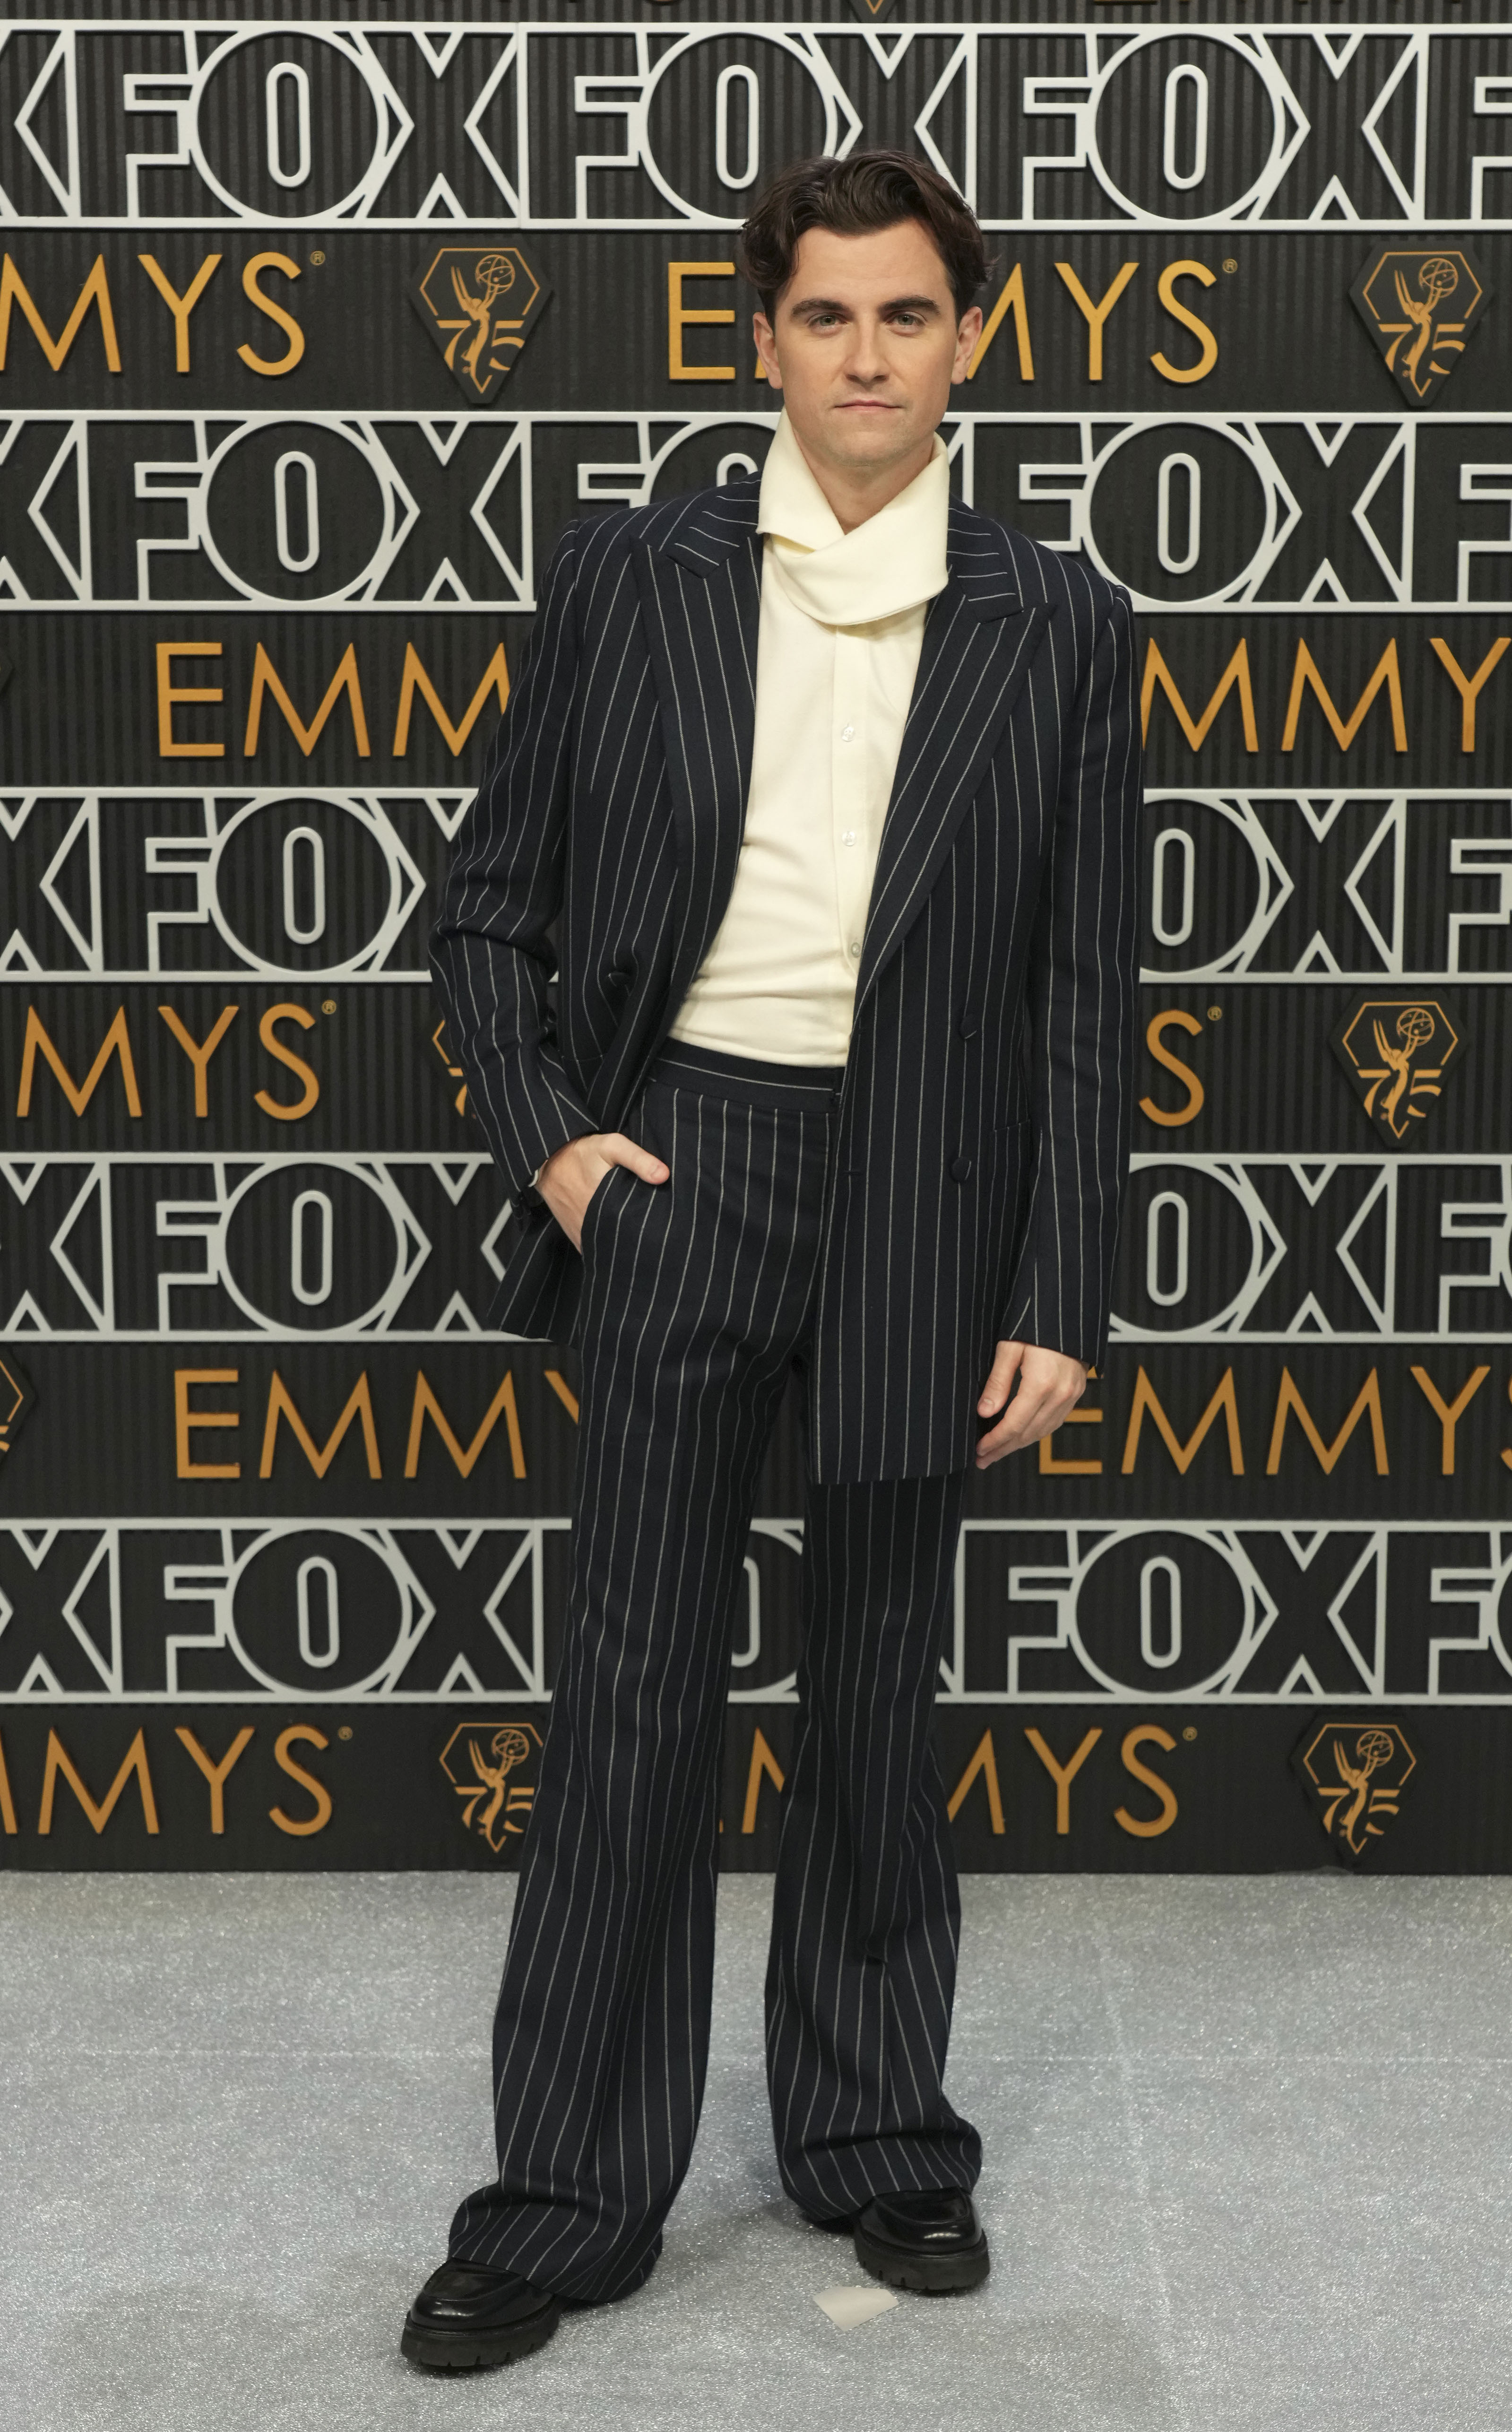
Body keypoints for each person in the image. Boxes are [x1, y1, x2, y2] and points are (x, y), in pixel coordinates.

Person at [404, 148, 1141, 2372]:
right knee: (626, 1705)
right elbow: (486, 914)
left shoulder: (1060, 612)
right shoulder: (630, 576)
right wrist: (561, 1158)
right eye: (821, 317)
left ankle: (871, 2126)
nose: (863, 357)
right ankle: (562, 2192)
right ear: (759, 337)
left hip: (926, 1186)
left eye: (905, 317)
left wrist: (1063, 1286)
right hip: (680, 1164)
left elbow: (1085, 987)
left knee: (878, 1699)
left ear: (970, 340)